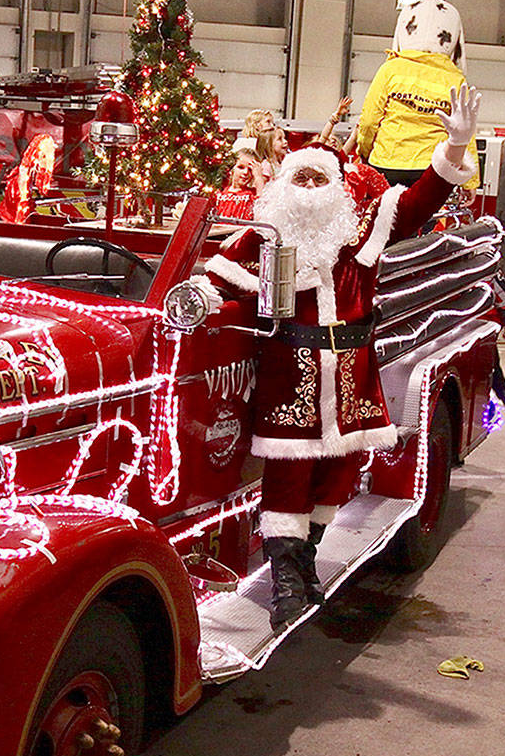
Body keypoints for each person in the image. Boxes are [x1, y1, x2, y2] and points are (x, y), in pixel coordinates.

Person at [200, 84, 482, 629]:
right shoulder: (264, 236)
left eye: (318, 179)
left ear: (336, 189)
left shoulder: (361, 234)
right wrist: (201, 303)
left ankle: (308, 563)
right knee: (288, 479)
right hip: (291, 380)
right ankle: (285, 580)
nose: (308, 187)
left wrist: (455, 147)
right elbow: (218, 281)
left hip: (352, 381)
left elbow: (423, 198)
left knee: (338, 475)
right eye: (299, 177)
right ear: (285, 184)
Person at [357, 0, 479, 193]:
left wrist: (365, 151)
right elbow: (465, 133)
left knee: (383, 221)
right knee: (427, 222)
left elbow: (370, 120)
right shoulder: (455, 79)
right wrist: (469, 181)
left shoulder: (391, 69)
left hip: (386, 162)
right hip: (431, 169)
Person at [216, 148, 265, 220]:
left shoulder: (252, 194)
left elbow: (262, 206)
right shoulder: (220, 194)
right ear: (232, 168)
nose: (245, 173)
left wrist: (258, 177)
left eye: (250, 169)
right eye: (241, 167)